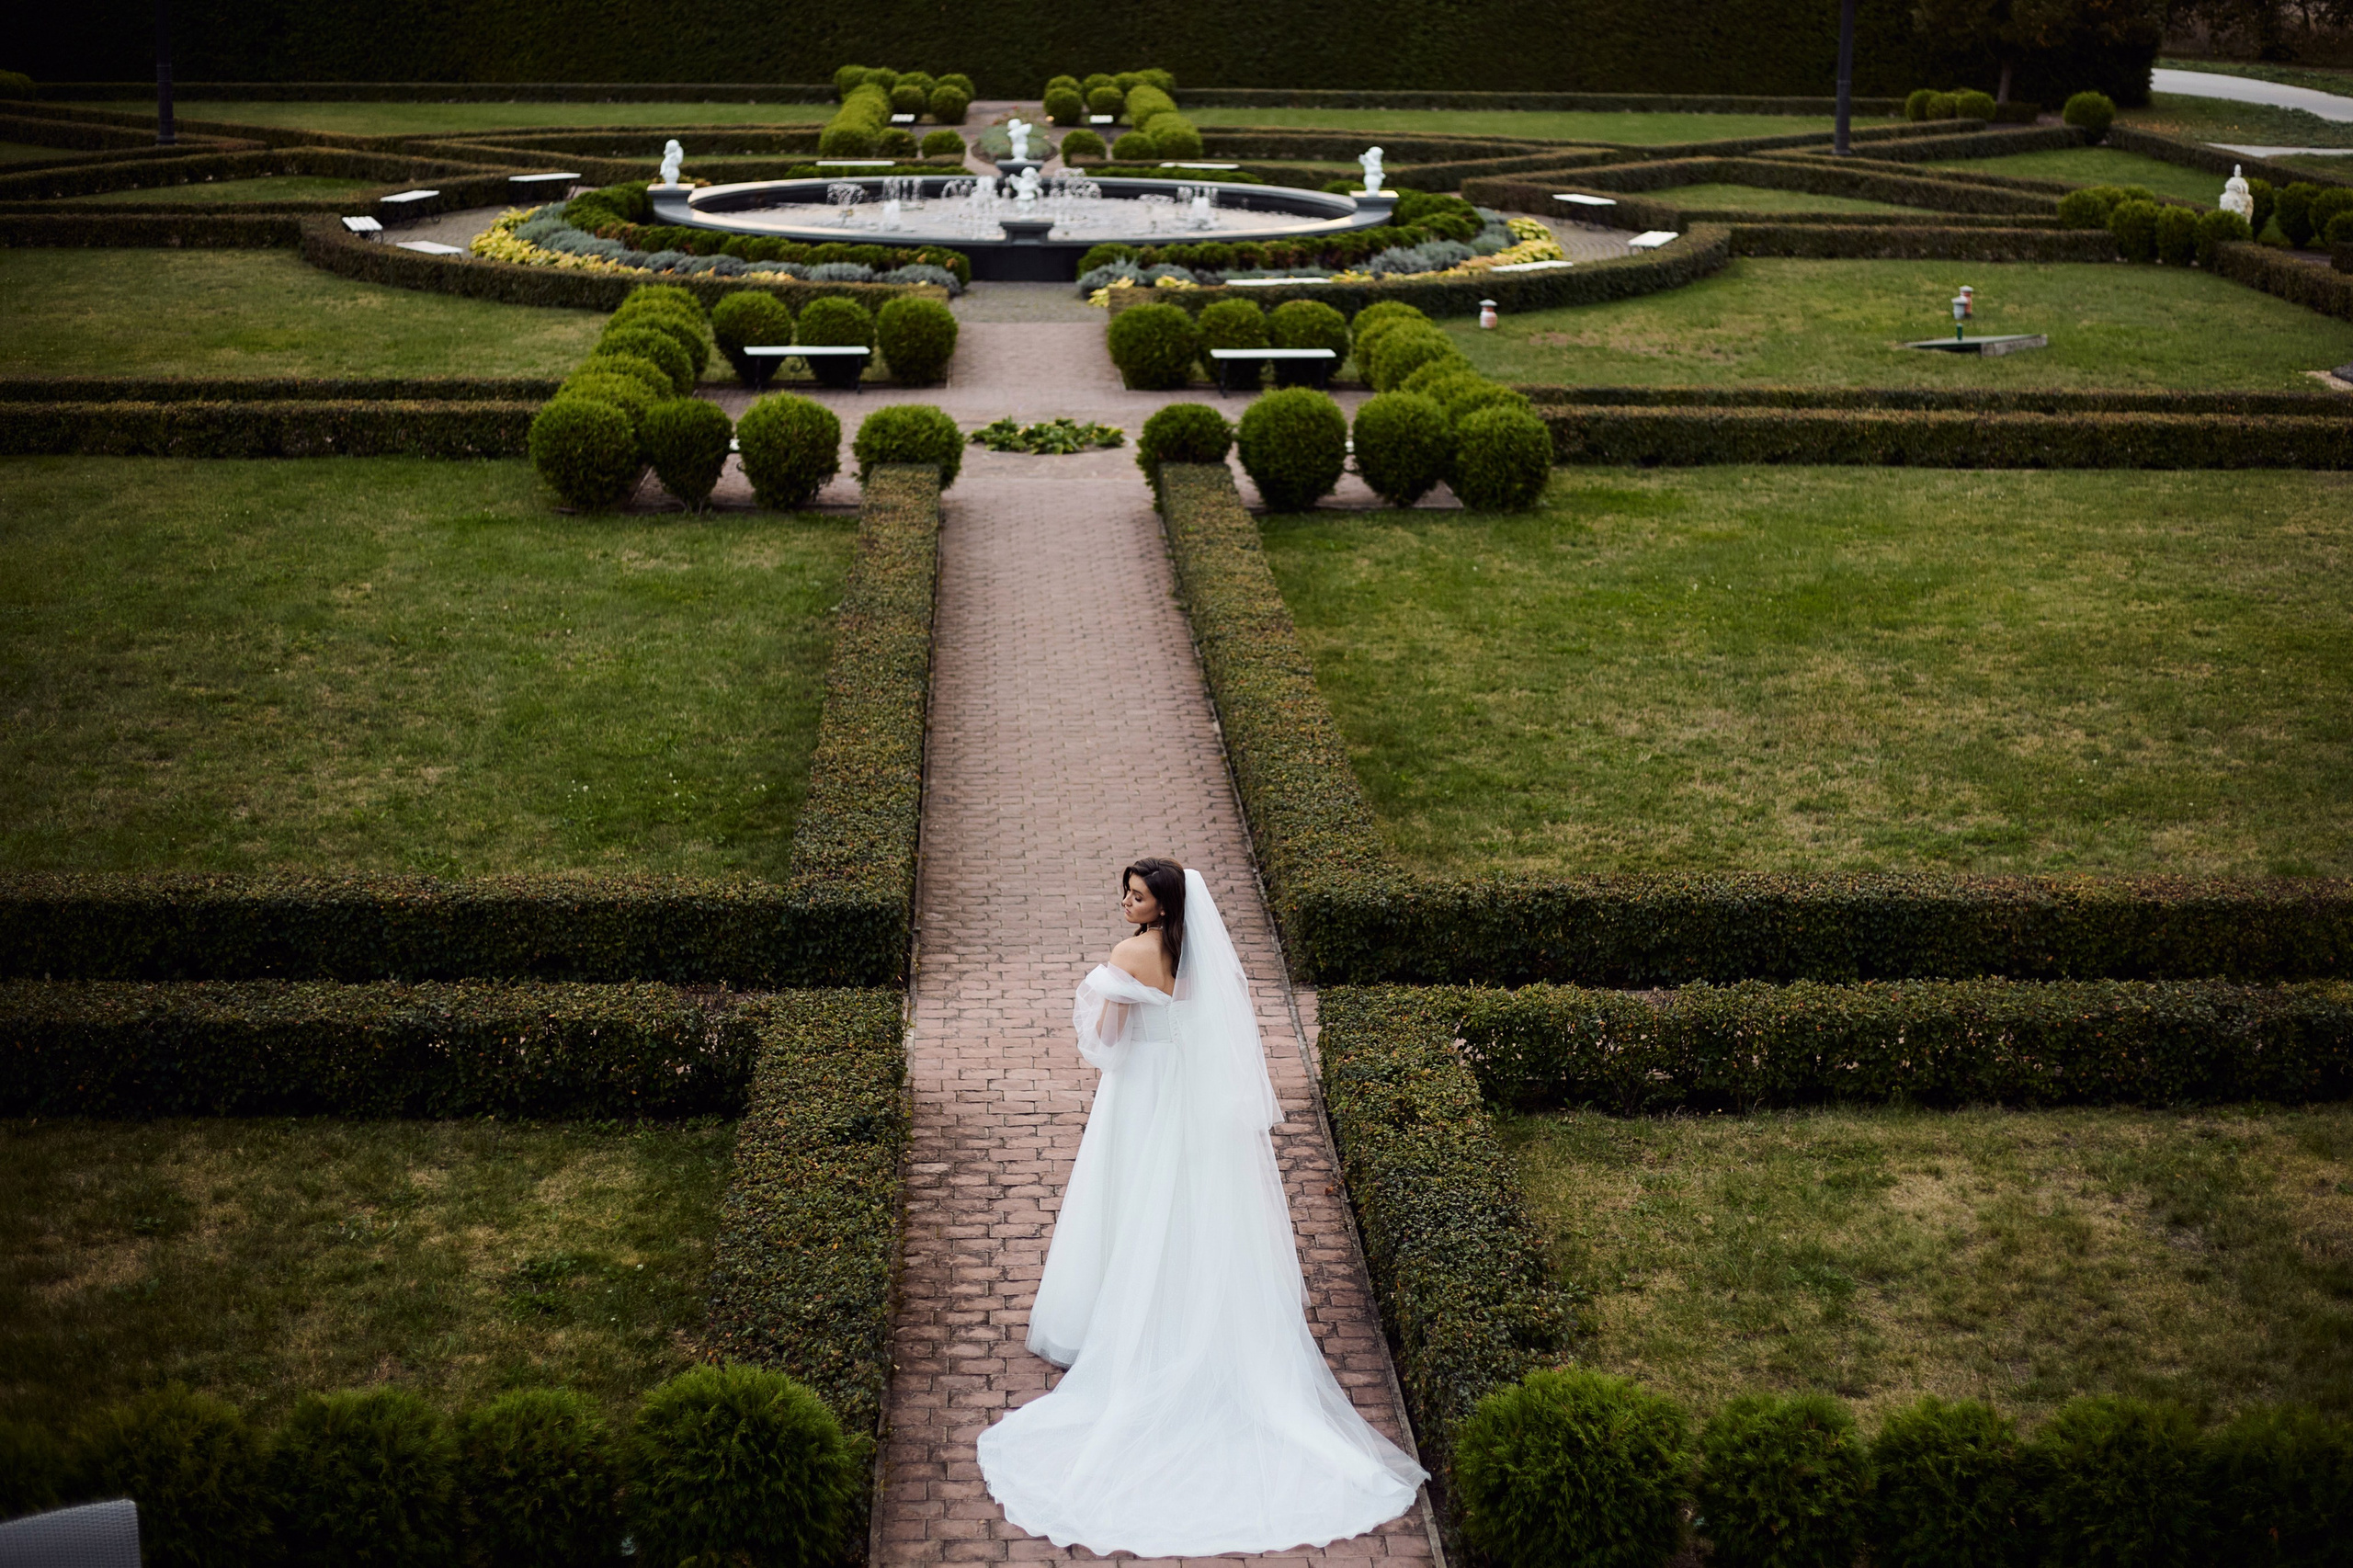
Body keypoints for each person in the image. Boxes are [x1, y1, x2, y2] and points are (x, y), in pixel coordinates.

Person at [975, 858, 1427, 1555]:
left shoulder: (1130, 954)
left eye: (1137, 896)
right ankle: (1194, 1306)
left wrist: (1099, 1015)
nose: (1127, 904)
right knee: (1194, 1205)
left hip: (1142, 1095)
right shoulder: (1197, 953)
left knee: (1130, 1201)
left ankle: (1123, 1319)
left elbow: (1108, 1044)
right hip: (1193, 1096)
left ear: (1160, 906)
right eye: (1126, 895)